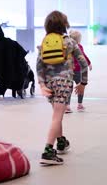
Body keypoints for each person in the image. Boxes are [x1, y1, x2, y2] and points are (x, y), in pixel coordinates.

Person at [37, 11, 89, 165]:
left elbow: (39, 66)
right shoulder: (70, 42)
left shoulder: (45, 42)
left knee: (56, 113)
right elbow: (84, 63)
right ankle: (48, 151)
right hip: (64, 83)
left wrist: (41, 84)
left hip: (49, 84)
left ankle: (61, 141)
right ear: (64, 24)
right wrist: (83, 84)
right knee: (57, 117)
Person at [67, 30, 92, 113]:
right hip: (78, 71)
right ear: (78, 40)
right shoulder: (79, 47)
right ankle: (79, 105)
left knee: (68, 89)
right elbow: (83, 56)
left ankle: (67, 106)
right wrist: (89, 63)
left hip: (69, 71)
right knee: (81, 88)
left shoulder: (67, 46)